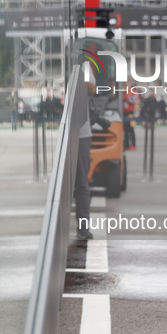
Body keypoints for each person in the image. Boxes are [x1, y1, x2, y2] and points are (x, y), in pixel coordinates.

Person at [75, 62, 96, 240]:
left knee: (82, 182)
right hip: (62, 133)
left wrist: (77, 76)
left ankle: (83, 225)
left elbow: (92, 89)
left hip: (81, 133)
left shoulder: (84, 66)